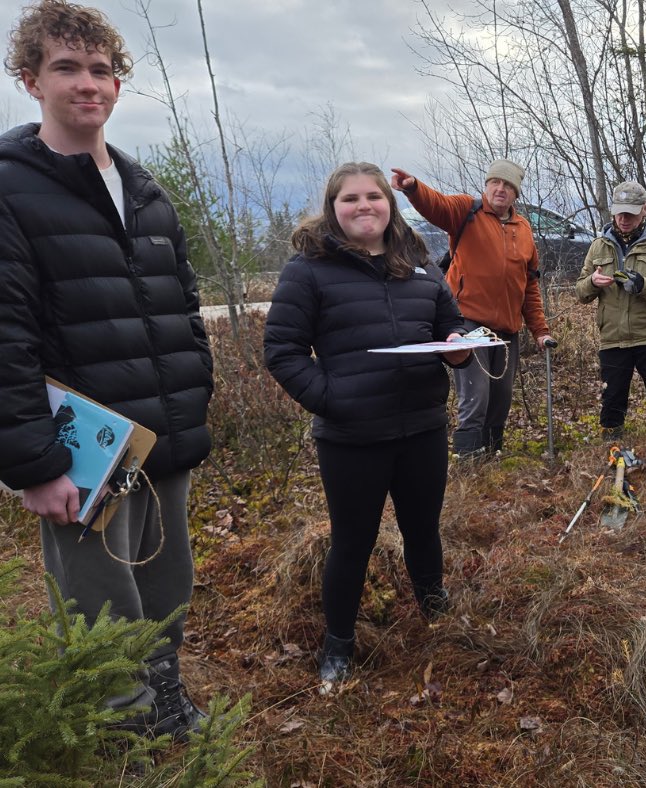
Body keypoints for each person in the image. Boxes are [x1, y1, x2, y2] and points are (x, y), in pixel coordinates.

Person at [0, 0, 214, 739]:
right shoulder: (10, 187)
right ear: (31, 79)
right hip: (85, 450)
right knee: (100, 599)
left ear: (117, 85)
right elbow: (6, 336)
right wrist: (35, 462)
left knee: (166, 584)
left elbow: (182, 304)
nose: (87, 83)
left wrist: (194, 403)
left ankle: (165, 700)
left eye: (101, 69)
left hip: (160, 438)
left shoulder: (145, 189)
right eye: (66, 67)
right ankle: (120, 733)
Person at [263, 162, 471, 692]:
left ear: (389, 204)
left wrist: (459, 351)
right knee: (352, 542)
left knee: (423, 529)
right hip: (352, 438)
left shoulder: (419, 262)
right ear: (333, 207)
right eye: (350, 199)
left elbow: (450, 328)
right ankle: (339, 644)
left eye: (374, 197)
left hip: (422, 428)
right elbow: (282, 352)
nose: (364, 207)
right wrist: (333, 400)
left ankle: (434, 608)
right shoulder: (307, 270)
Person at [391, 160, 555, 457]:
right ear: (487, 184)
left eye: (507, 185)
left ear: (516, 193)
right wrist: (413, 188)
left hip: (507, 329)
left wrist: (540, 330)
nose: (500, 189)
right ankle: (468, 458)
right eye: (495, 182)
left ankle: (491, 455)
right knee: (475, 394)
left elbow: (529, 286)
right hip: (468, 322)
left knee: (501, 397)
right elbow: (436, 205)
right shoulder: (466, 211)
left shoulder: (524, 229)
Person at [575, 180, 646, 439]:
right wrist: (592, 282)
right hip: (613, 337)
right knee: (612, 402)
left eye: (631, 213)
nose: (624, 218)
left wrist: (643, 285)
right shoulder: (598, 245)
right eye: (620, 212)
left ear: (644, 209)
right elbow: (580, 292)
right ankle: (610, 448)